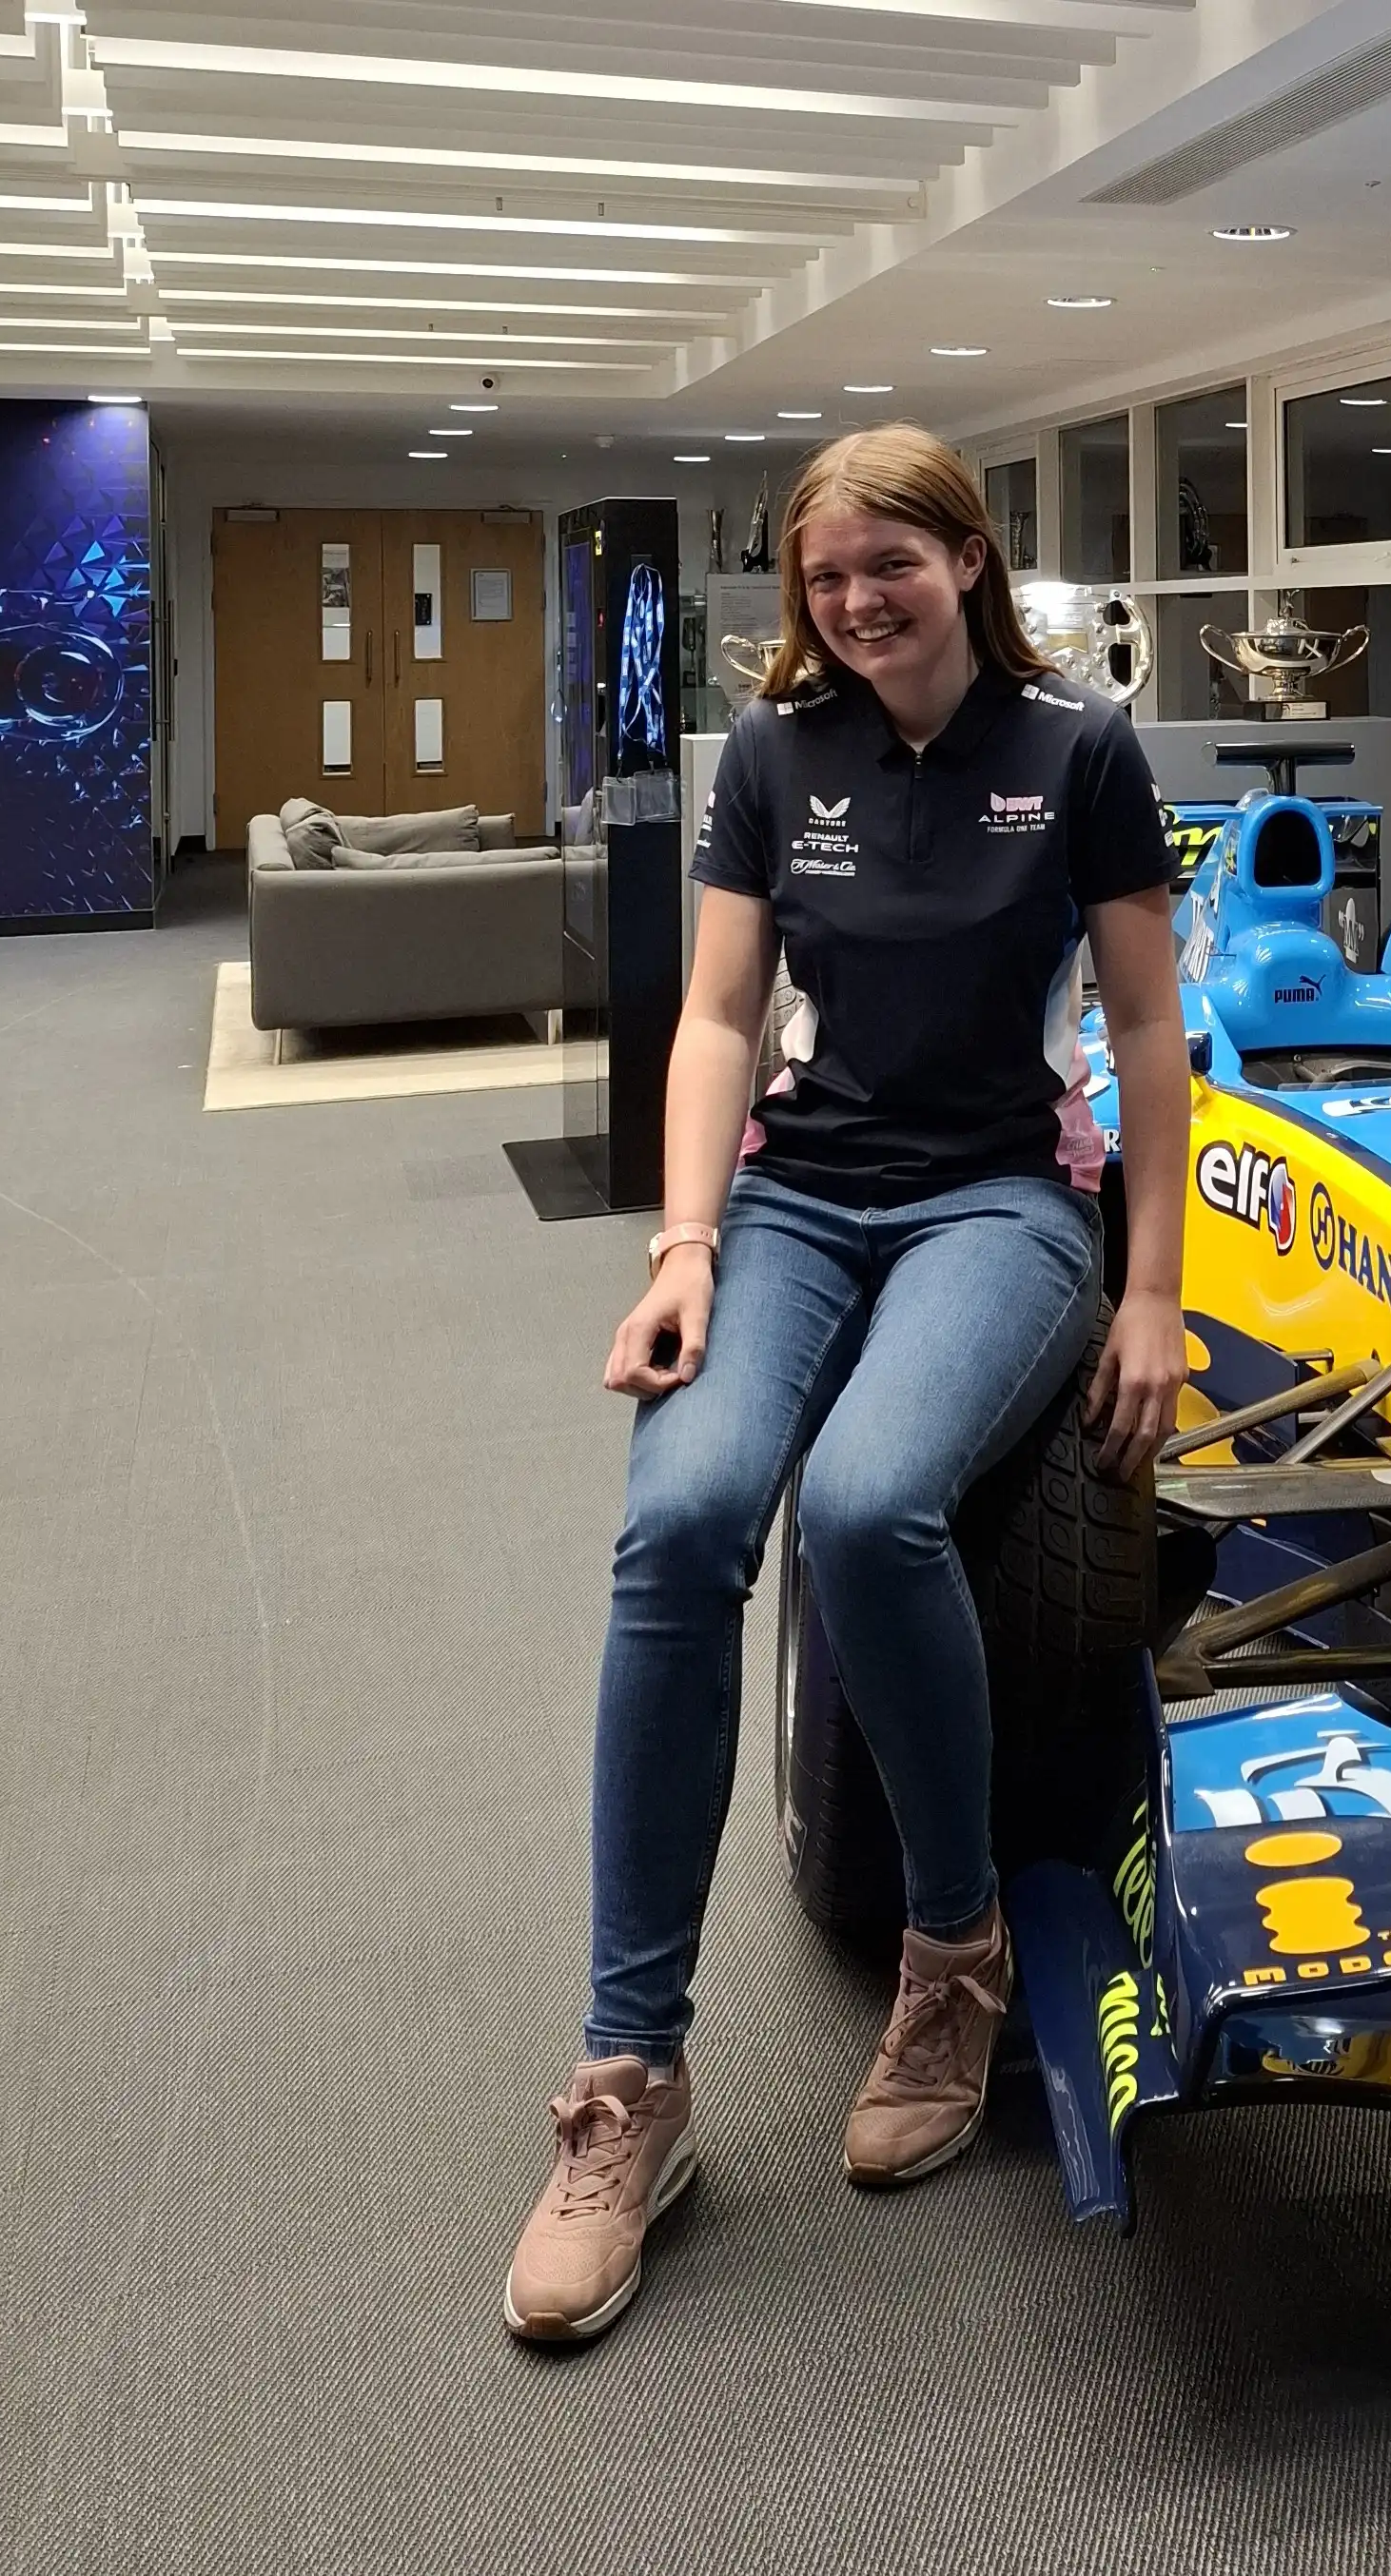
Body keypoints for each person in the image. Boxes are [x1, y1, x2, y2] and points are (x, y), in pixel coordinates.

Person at [502, 424, 1188, 2343]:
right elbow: (720, 1017)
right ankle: (632, 2079)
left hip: (999, 1203)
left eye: (892, 562)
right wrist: (685, 1244)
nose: (858, 599)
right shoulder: (770, 762)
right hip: (796, 1198)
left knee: (876, 1506)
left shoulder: (1084, 757)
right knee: (682, 1522)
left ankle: (952, 1946)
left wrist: (1152, 1290)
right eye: (826, 577)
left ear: (968, 561)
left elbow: (1145, 1028)